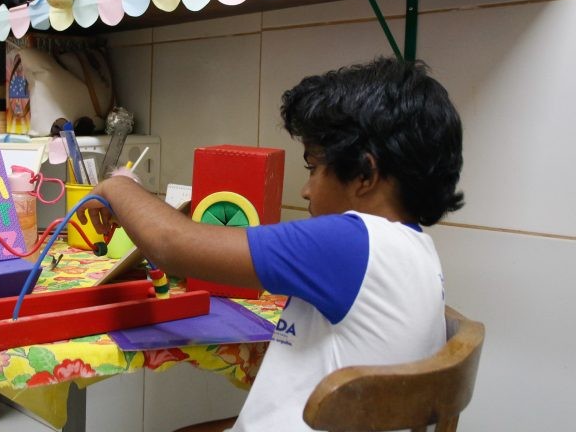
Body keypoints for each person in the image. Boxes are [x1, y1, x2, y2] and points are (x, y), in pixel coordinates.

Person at [78, 56, 464, 431]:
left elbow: (171, 245)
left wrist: (117, 186)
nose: (306, 189)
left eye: (314, 167)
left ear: (364, 174)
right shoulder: (418, 251)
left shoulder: (351, 243)